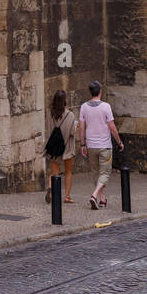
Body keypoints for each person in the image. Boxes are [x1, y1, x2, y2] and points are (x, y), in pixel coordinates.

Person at [79, 80, 123, 210]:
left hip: (91, 145)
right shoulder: (106, 107)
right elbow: (112, 127)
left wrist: (82, 144)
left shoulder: (84, 107)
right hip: (104, 146)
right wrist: (119, 142)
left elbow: (81, 127)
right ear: (100, 92)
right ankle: (94, 196)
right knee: (105, 173)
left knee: (96, 173)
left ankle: (102, 199)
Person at [44, 89, 77, 203]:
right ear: (64, 101)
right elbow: (73, 132)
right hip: (67, 147)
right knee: (68, 172)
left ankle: (50, 189)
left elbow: (47, 128)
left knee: (54, 172)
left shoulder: (50, 113)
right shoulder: (70, 115)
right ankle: (67, 196)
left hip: (54, 147)